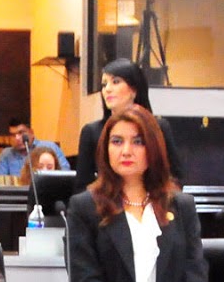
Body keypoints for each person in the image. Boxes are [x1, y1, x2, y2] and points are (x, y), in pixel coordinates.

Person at [66, 105, 207, 282]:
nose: (126, 151)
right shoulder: (84, 208)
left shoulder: (181, 206)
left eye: (138, 141)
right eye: (117, 141)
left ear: (154, 147)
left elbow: (194, 276)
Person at [73, 59, 183, 188]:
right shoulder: (91, 132)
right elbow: (82, 185)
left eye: (115, 82)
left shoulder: (158, 128)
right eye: (104, 84)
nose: (107, 89)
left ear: (134, 89)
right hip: (106, 198)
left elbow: (175, 177)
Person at [0, 118, 70, 178]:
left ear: (31, 133)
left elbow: (65, 173)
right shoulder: (7, 154)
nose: (17, 138)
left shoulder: (50, 147)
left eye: (21, 133)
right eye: (13, 135)